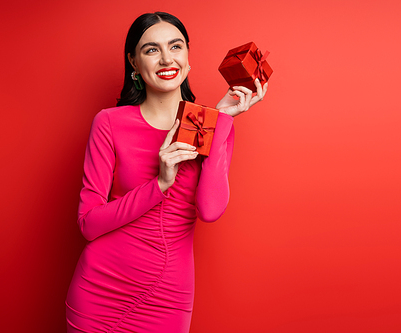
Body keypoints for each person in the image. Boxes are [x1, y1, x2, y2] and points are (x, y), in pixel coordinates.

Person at [65, 11, 268, 333]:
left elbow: (211, 210)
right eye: (151, 50)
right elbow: (88, 224)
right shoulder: (109, 123)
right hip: (101, 292)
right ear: (133, 62)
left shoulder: (209, 125)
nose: (165, 59)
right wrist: (160, 183)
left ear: (188, 57)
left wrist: (222, 120)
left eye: (175, 47)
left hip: (168, 294)